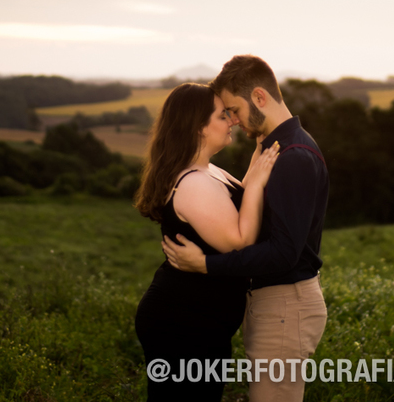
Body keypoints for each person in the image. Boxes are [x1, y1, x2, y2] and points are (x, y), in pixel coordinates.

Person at [163, 55, 330, 402]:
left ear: (259, 97)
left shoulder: (294, 157)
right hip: (275, 304)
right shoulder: (271, 149)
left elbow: (285, 253)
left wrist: (206, 266)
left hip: (286, 303)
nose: (233, 120)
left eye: (234, 109)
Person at [134, 82, 281, 401]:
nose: (230, 120)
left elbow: (232, 212)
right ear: (198, 127)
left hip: (200, 322)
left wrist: (260, 144)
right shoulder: (194, 183)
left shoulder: (208, 171)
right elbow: (240, 242)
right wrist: (255, 186)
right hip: (182, 323)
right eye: (222, 115)